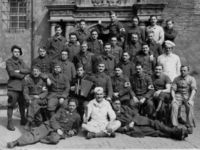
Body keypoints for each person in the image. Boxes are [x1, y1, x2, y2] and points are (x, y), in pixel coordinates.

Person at [7, 99, 81, 148]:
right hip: (50, 125)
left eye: (73, 106)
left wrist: (73, 131)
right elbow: (53, 119)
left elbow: (76, 128)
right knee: (35, 134)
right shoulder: (62, 110)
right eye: (70, 105)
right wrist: (57, 128)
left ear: (76, 106)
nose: (71, 107)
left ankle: (41, 137)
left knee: (54, 140)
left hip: (61, 132)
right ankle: (16, 142)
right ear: (68, 105)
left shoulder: (77, 116)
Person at [112, 99, 188, 140]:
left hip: (139, 120)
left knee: (156, 123)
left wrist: (133, 121)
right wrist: (126, 128)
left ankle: (175, 131)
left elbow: (135, 114)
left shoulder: (125, 108)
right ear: (112, 104)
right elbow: (116, 128)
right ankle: (176, 135)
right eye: (115, 104)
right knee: (154, 132)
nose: (118, 105)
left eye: (119, 103)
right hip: (134, 128)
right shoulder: (112, 115)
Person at [6, 45, 30, 131]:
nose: (17, 53)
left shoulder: (21, 61)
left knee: (22, 104)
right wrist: (23, 76)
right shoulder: (9, 61)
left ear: (20, 53)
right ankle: (9, 122)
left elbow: (28, 70)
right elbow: (12, 73)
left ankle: (23, 119)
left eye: (18, 52)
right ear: (12, 52)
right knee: (11, 105)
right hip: (13, 86)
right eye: (15, 51)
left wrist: (19, 71)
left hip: (22, 86)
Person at [171, 65, 197, 133]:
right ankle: (174, 125)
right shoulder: (176, 78)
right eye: (181, 70)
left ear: (188, 71)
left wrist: (191, 99)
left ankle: (189, 125)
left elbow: (194, 90)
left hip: (187, 96)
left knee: (190, 106)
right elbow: (173, 90)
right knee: (174, 105)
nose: (182, 72)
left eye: (184, 70)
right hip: (178, 96)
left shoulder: (191, 79)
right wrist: (173, 99)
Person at [23, 66, 48, 130]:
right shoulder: (28, 80)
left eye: (37, 71)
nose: (35, 73)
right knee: (33, 103)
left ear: (39, 72)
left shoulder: (42, 81)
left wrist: (39, 96)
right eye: (34, 71)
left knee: (34, 103)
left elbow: (45, 92)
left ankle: (29, 121)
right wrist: (28, 99)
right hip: (31, 97)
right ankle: (39, 120)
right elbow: (25, 92)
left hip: (40, 98)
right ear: (32, 72)